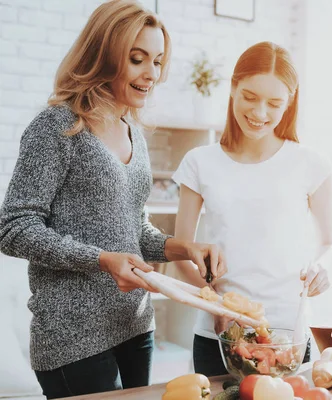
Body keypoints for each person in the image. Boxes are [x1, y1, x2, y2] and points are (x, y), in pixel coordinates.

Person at [0, 1, 225, 398]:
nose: (151, 74)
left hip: (135, 324)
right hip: (73, 337)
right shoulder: (57, 126)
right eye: (137, 59)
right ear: (103, 55)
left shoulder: (132, 131)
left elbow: (132, 229)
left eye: (157, 61)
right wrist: (102, 260)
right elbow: (14, 228)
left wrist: (182, 248)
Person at [171, 41, 332, 376]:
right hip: (218, 335)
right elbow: (179, 253)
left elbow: (328, 241)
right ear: (233, 88)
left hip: (286, 334)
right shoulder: (200, 162)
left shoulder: (310, 164)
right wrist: (215, 303)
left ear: (289, 102)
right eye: (249, 97)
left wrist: (321, 266)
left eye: (274, 103)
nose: (260, 113)